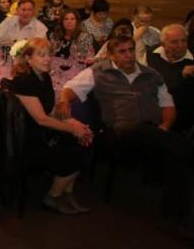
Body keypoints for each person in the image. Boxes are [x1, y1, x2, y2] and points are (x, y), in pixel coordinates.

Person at [58, 36, 193, 238]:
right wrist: (63, 100)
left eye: (131, 50)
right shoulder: (98, 71)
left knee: (178, 157)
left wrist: (164, 127)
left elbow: (168, 106)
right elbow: (70, 88)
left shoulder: (151, 74)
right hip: (117, 131)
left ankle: (174, 218)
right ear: (111, 55)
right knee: (179, 148)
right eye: (122, 52)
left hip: (151, 132)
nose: (129, 55)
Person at [10, 38, 93, 214]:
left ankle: (65, 194)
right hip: (28, 140)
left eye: (49, 54)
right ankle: (53, 196)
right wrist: (73, 129)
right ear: (28, 58)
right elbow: (41, 119)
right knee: (76, 152)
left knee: (84, 141)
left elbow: (49, 111)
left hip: (41, 132)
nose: (47, 59)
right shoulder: (24, 81)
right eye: (41, 55)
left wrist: (73, 122)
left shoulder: (44, 76)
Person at [147, 24, 194, 134]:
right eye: (174, 42)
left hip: (182, 118)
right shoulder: (152, 53)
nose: (180, 45)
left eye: (183, 41)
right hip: (152, 110)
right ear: (163, 44)